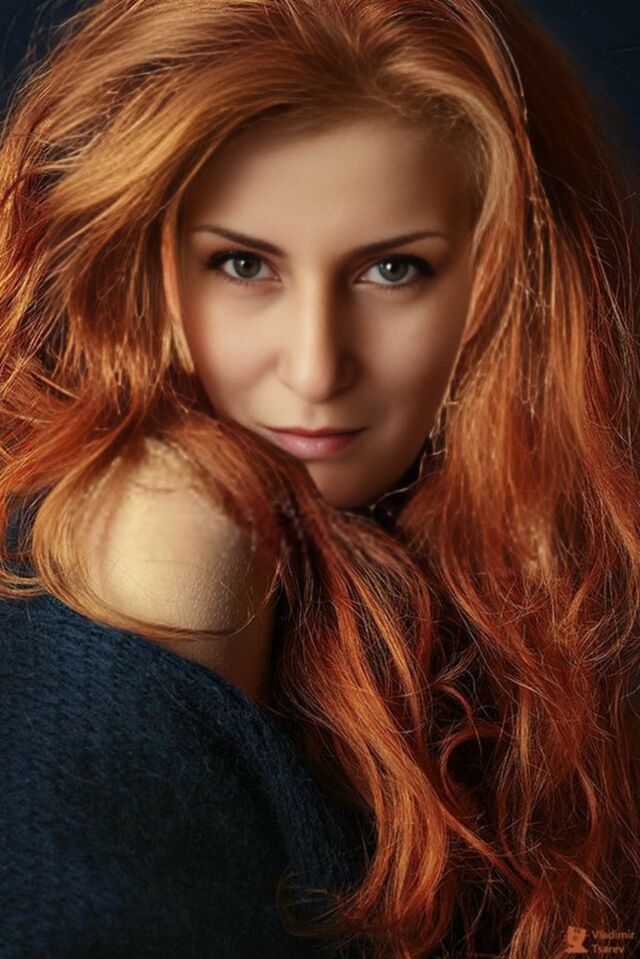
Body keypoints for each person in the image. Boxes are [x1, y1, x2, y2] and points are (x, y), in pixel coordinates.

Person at [0, 1, 638, 958]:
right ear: (136, 264)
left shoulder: (561, 559)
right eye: (242, 263)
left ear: (508, 284)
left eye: (392, 270)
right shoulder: (153, 540)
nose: (314, 367)